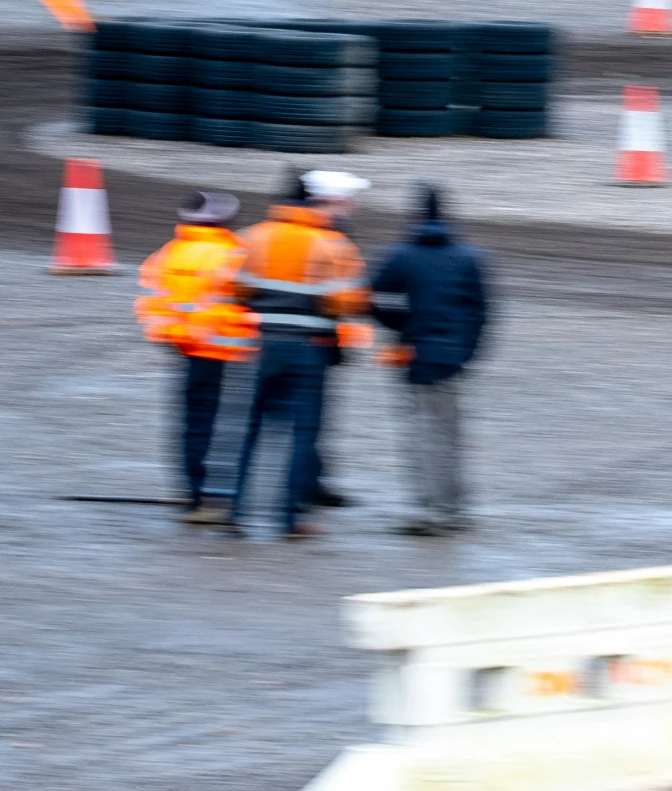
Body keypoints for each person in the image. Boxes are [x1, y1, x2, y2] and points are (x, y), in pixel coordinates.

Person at [229, 170, 370, 540]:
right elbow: (346, 301)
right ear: (312, 203)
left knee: (249, 429)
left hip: (262, 344)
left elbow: (235, 289)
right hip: (310, 348)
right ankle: (291, 518)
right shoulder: (331, 244)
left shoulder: (252, 237)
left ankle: (234, 512)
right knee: (301, 433)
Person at [370, 184, 491, 537]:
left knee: (422, 434)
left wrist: (399, 325)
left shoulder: (400, 256)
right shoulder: (469, 257)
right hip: (452, 358)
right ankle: (454, 508)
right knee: (450, 434)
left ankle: (428, 510)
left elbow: (371, 297)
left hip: (414, 354)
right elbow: (482, 312)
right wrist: (468, 352)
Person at [134, 192, 257, 522]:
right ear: (224, 220)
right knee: (229, 426)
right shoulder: (234, 253)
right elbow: (249, 301)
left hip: (186, 349)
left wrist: (172, 335)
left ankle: (193, 492)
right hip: (230, 351)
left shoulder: (168, 253)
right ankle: (220, 495)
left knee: (192, 423)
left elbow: (151, 302)